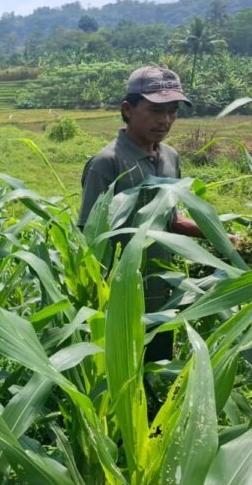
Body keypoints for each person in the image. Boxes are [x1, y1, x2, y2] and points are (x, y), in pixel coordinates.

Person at [78, 65, 203, 361]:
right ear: (128, 109)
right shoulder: (107, 162)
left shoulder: (170, 156)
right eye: (156, 110)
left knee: (159, 366)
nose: (166, 119)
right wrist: (106, 297)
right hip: (123, 294)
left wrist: (227, 238)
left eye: (173, 110)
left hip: (164, 287)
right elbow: (90, 238)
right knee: (124, 370)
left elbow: (171, 220)